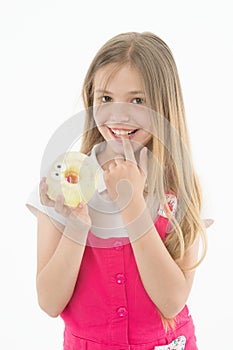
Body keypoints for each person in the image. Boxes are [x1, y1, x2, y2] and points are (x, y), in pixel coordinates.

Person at [26, 32, 213, 349]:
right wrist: (77, 224)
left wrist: (133, 206)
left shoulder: (182, 187)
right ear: (91, 99)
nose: (118, 115)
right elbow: (49, 301)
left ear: (164, 105)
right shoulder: (63, 182)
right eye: (106, 99)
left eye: (138, 101)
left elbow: (171, 301)